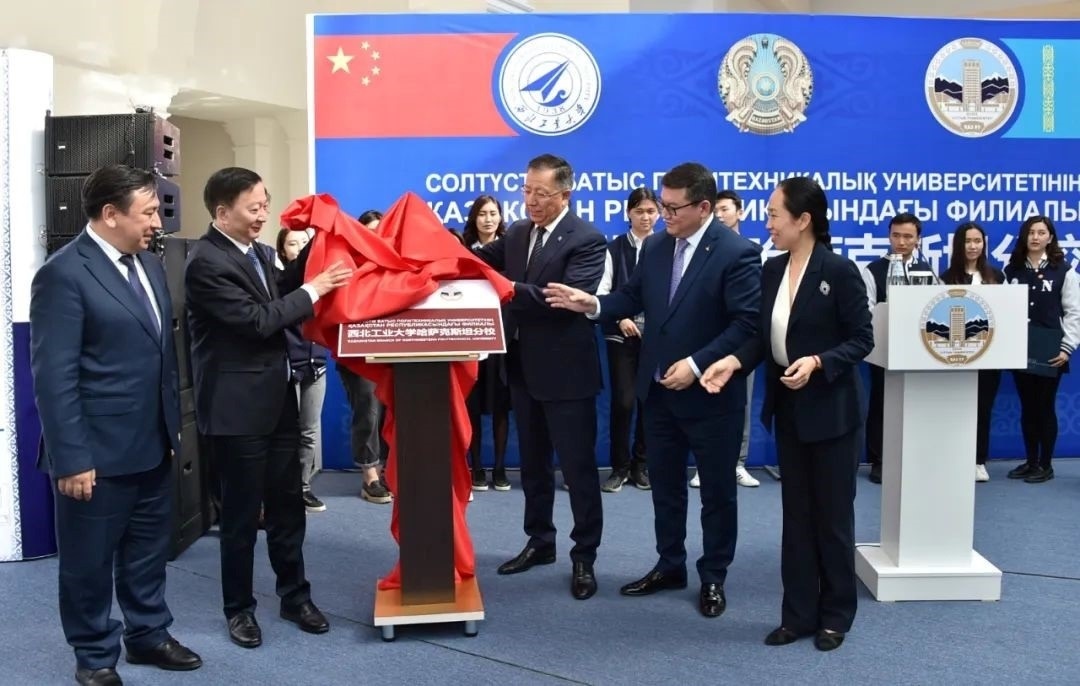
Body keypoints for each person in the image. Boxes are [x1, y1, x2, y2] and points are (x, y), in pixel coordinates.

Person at [544, 162, 761, 618]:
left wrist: (697, 364)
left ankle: (713, 576)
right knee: (665, 487)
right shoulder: (659, 245)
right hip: (659, 393)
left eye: (674, 208)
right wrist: (593, 304)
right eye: (662, 205)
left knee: (717, 493)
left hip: (712, 395)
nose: (664, 215)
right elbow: (632, 298)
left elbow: (746, 324)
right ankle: (670, 564)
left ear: (704, 207)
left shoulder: (737, 252)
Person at [30, 164, 202, 685]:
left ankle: (148, 635)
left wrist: (171, 430)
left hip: (152, 444)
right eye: (147, 212)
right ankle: (94, 655)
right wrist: (72, 458)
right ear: (110, 214)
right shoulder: (64, 274)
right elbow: (54, 376)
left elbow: (160, 356)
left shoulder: (148, 265)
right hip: (94, 457)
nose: (157, 222)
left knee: (147, 554)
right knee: (88, 563)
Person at [185, 167, 352, 648]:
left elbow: (281, 289)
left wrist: (319, 245)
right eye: (254, 208)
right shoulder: (205, 262)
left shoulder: (259, 252)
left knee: (287, 507)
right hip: (235, 410)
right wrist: (316, 288)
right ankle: (239, 609)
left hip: (278, 399)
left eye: (265, 204)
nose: (263, 215)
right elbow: (258, 320)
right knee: (241, 518)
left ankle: (295, 596)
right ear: (223, 212)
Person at [474, 153, 607, 600]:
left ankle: (584, 555)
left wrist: (508, 288)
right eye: (526, 190)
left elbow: (561, 301)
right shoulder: (516, 232)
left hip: (568, 376)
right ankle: (540, 540)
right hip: (523, 371)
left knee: (577, 469)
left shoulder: (587, 239)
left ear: (565, 195)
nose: (530, 200)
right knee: (532, 465)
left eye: (541, 193)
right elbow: (475, 259)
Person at [690, 189, 762, 489]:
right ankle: (702, 465)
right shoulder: (699, 250)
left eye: (725, 209)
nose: (719, 215)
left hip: (742, 342)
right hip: (707, 339)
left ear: (740, 212)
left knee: (741, 402)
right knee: (702, 401)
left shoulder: (752, 250)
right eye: (716, 210)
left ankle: (738, 463)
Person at [1003, 215, 1080, 484]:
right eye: (1031, 232)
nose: (1035, 237)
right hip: (1020, 348)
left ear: (1050, 237)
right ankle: (1031, 461)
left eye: (1041, 232)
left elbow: (1074, 312)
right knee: (1027, 406)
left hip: (1052, 349)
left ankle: (1046, 465)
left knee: (1044, 406)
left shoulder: (1064, 270)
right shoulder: (1011, 270)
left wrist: (1066, 347)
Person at [861, 213, 933, 483]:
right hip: (884, 350)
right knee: (881, 404)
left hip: (918, 352)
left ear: (918, 239)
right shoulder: (874, 270)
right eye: (896, 235)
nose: (901, 242)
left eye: (908, 237)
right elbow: (867, 310)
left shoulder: (927, 270)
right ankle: (879, 460)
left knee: (914, 405)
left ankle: (912, 459)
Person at [597, 186, 658, 493]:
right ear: (628, 214)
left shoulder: (668, 246)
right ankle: (619, 467)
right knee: (623, 402)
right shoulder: (614, 248)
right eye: (639, 211)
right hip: (620, 335)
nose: (645, 217)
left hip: (656, 338)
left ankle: (641, 465)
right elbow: (602, 292)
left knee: (649, 402)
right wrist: (620, 317)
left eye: (651, 211)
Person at [335, 209, 393, 504]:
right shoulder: (347, 266)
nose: (375, 237)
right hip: (358, 353)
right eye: (369, 232)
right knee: (368, 410)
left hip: (392, 352)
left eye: (380, 232)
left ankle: (388, 471)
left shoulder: (394, 266)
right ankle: (370, 474)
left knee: (391, 412)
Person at [940, 222, 1005, 482]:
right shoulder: (946, 277)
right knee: (956, 410)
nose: (973, 246)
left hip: (989, 356)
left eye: (978, 241)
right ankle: (955, 458)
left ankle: (979, 460)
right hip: (955, 356)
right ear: (959, 244)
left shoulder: (996, 276)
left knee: (983, 409)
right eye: (968, 241)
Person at [276, 228, 330, 510]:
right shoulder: (278, 283)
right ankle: (284, 489)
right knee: (286, 432)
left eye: (304, 243)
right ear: (283, 250)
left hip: (316, 364)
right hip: (287, 366)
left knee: (310, 430)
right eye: (292, 243)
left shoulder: (321, 282)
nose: (298, 248)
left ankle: (303, 486)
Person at [462, 195, 512, 491]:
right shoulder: (463, 250)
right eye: (482, 214)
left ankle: (500, 467)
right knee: (473, 404)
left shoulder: (511, 250)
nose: (488, 219)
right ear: (474, 218)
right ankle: (477, 466)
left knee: (501, 404)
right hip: (471, 336)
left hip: (503, 336)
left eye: (493, 213)